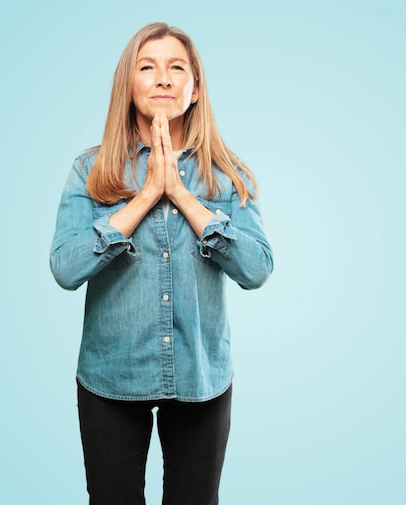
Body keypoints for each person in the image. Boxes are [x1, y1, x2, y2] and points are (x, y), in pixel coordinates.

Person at [50, 22, 273, 505]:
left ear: (194, 90)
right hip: (111, 377)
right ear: (128, 87)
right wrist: (148, 194)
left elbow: (256, 269)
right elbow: (66, 268)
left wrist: (183, 197)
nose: (163, 78)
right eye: (147, 67)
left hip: (201, 378)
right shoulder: (89, 171)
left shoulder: (228, 174)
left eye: (177, 68)